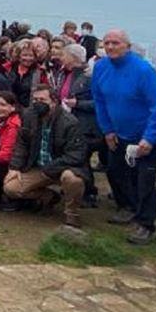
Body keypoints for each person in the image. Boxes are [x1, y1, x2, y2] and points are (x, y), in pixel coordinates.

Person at [91, 29, 156, 245]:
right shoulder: (101, 67)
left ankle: (145, 224)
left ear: (127, 45)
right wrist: (107, 129)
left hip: (146, 135)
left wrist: (150, 138)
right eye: (107, 43)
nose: (111, 47)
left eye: (116, 43)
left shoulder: (143, 70)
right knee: (116, 171)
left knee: (145, 180)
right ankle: (127, 206)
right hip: (117, 133)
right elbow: (99, 100)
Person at [3, 86, 88, 228]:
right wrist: (14, 167)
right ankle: (49, 196)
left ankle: (72, 213)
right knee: (11, 187)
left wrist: (51, 168)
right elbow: (22, 143)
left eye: (42, 100)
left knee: (73, 180)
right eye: (35, 99)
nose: (37, 103)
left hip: (63, 167)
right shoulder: (29, 115)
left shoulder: (70, 122)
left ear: (54, 102)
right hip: (37, 165)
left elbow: (76, 155)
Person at [55, 44, 102, 206]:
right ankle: (78, 189)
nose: (61, 58)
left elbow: (100, 103)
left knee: (82, 159)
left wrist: (78, 103)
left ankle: (89, 193)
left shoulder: (89, 77)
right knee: (77, 159)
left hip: (86, 126)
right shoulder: (68, 74)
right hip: (71, 123)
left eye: (64, 55)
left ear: (73, 58)